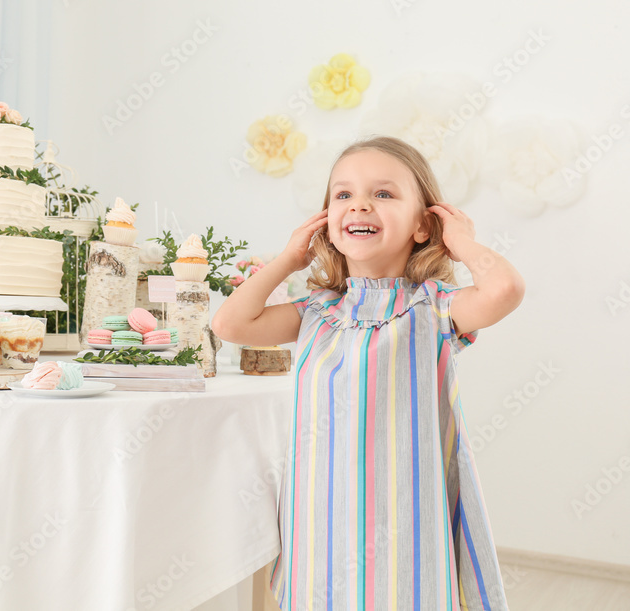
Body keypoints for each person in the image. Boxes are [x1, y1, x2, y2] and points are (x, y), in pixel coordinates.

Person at [211, 136, 524, 610]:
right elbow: (229, 324)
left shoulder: (435, 308)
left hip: (404, 509)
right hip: (322, 508)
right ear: (327, 225)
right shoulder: (316, 310)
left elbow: (505, 289)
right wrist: (289, 260)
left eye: (383, 194)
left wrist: (462, 243)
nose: (360, 205)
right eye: (343, 195)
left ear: (423, 225)